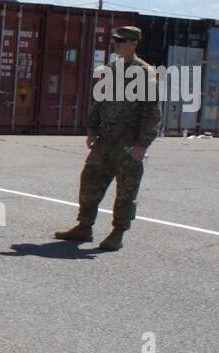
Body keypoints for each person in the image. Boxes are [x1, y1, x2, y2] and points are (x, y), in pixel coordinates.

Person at [54, 25, 161, 251]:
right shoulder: (112, 69)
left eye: (122, 41)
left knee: (126, 190)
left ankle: (118, 232)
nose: (117, 44)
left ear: (134, 43)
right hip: (106, 139)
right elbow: (98, 100)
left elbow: (152, 113)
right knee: (90, 180)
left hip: (129, 142)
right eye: (116, 41)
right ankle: (84, 226)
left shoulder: (145, 73)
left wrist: (142, 145)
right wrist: (92, 129)